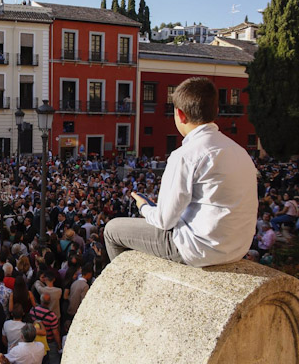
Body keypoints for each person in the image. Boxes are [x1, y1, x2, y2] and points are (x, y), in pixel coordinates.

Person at [104, 77, 258, 267]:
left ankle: (123, 291)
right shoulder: (240, 151)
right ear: (215, 112)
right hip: (237, 248)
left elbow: (164, 221)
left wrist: (144, 207)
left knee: (112, 230)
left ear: (180, 114)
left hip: (199, 249)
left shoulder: (185, 155)